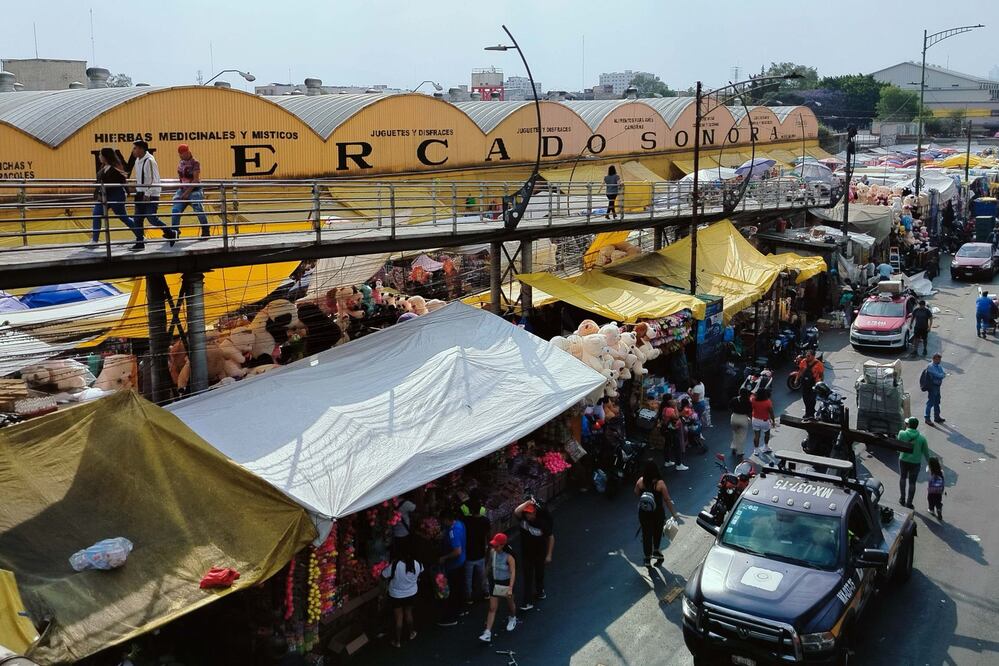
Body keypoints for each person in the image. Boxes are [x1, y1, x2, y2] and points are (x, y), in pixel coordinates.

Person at [90, 147, 141, 250]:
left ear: (105, 157)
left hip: (116, 195)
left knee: (123, 217)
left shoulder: (116, 169)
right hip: (104, 196)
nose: (99, 157)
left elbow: (123, 180)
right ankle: (94, 240)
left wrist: (127, 191)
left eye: (101, 155)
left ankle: (140, 235)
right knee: (96, 213)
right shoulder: (103, 168)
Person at [634, 460, 680, 566]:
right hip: (657, 513)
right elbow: (667, 499)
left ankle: (647, 558)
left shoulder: (640, 481)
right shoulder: (660, 484)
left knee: (646, 534)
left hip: (644, 513)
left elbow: (636, 492)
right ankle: (656, 551)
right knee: (657, 533)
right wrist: (674, 513)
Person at [514, 499, 554, 611]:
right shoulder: (522, 518)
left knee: (539, 573)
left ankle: (540, 591)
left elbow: (551, 537)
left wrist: (549, 554)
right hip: (526, 553)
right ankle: (527, 601)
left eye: (529, 512)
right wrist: (528, 502)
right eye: (526, 513)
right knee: (527, 577)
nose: (527, 515)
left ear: (535, 512)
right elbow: (516, 511)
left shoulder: (542, 523)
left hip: (540, 553)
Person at [381, 542, 423, 648]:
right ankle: (411, 633)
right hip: (411, 593)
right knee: (408, 613)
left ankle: (397, 641)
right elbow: (421, 572)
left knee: (398, 617)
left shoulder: (395, 565)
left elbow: (383, 575)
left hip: (396, 595)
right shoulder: (417, 564)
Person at [478, 533, 517, 643]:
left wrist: (510, 588)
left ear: (503, 545)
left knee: (510, 604)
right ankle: (487, 632)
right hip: (495, 582)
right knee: (492, 608)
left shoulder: (509, 557)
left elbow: (513, 572)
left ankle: (513, 617)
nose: (494, 547)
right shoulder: (492, 552)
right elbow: (489, 565)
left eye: (497, 545)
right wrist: (485, 578)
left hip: (505, 583)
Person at [130, 140, 170, 244]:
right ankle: (140, 242)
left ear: (141, 149)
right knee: (137, 219)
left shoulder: (150, 161)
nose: (133, 151)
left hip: (151, 194)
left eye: (135, 148)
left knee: (151, 218)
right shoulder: (137, 161)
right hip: (140, 193)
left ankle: (169, 231)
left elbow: (154, 179)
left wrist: (147, 193)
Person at [170, 144, 210, 241]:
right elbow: (181, 178)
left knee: (198, 210)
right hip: (182, 189)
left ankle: (206, 230)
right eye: (179, 154)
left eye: (182, 154)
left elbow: (196, 179)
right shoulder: (181, 162)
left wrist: (187, 192)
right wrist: (181, 190)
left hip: (194, 190)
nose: (181, 156)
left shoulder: (195, 163)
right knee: (175, 210)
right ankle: (175, 231)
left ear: (188, 152)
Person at [436, 507, 466, 626]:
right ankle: (460, 611)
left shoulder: (453, 532)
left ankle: (451, 617)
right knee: (458, 589)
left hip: (454, 565)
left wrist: (444, 558)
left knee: (452, 591)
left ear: (446, 520)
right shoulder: (460, 524)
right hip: (461, 562)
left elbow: (457, 551)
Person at [460, 490, 491, 604]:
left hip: (468, 554)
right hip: (481, 554)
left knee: (467, 578)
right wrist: (489, 548)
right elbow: (488, 535)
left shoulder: (466, 522)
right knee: (483, 575)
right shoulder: (485, 521)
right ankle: (486, 592)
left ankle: (469, 597)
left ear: (471, 510)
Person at [896, 417, 932, 508]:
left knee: (903, 478)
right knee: (912, 483)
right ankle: (909, 503)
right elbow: (926, 453)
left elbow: (898, 442)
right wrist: (930, 464)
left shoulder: (902, 433)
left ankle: (902, 498)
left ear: (908, 425)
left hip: (903, 460)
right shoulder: (922, 439)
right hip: (915, 463)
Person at [660, 396, 687, 471]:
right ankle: (679, 464)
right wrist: (675, 406)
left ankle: (667, 461)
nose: (674, 400)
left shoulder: (664, 408)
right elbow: (676, 417)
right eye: (672, 399)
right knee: (677, 446)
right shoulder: (670, 410)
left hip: (667, 430)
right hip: (672, 431)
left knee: (667, 444)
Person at [796, 350, 824, 419]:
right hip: (804, 384)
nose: (806, 357)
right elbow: (800, 371)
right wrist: (796, 379)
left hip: (813, 385)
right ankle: (807, 413)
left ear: (813, 356)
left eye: (808, 356)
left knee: (811, 400)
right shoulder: (803, 361)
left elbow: (821, 375)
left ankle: (811, 414)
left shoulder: (819, 364)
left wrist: (820, 383)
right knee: (805, 399)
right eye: (806, 355)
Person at [750, 387, 776, 454]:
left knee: (756, 436)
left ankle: (756, 450)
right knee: (767, 434)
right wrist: (773, 421)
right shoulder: (768, 402)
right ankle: (766, 447)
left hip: (755, 420)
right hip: (765, 421)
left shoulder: (753, 400)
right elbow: (771, 412)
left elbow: (751, 395)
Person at [728, 388, 752, 458]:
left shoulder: (734, 399)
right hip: (743, 418)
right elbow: (750, 411)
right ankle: (740, 452)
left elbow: (729, 407)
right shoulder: (748, 402)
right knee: (742, 436)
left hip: (734, 417)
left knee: (735, 433)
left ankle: (734, 447)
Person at [923, 354, 946, 425]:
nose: (939, 361)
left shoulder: (938, 366)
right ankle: (927, 418)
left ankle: (937, 417)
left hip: (937, 386)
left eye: (940, 359)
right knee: (930, 402)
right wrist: (941, 375)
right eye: (938, 359)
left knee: (937, 401)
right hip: (932, 387)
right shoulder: (930, 367)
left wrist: (941, 375)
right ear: (934, 359)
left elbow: (943, 373)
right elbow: (939, 375)